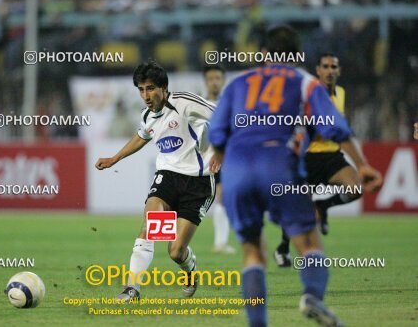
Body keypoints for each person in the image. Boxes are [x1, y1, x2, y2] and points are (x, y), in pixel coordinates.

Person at [208, 26, 382, 326]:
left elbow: (217, 133)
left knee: (252, 253)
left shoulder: (238, 83)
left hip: (237, 169)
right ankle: (312, 295)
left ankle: (258, 323)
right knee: (309, 242)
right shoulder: (304, 82)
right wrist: (362, 164)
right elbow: (334, 127)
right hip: (278, 164)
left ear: (263, 54)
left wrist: (225, 174)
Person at [95, 60, 219, 301]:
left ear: (163, 87)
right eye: (141, 90)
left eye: (150, 88)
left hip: (199, 183)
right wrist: (114, 158)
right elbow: (142, 136)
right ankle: (132, 289)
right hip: (168, 177)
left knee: (175, 251)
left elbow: (222, 117)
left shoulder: (184, 103)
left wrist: (220, 151)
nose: (145, 95)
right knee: (151, 226)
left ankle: (190, 270)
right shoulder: (148, 115)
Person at [274, 53, 381, 268]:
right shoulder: (309, 94)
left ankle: (323, 205)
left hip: (331, 155)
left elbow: (337, 126)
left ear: (339, 71)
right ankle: (283, 248)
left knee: (355, 188)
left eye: (334, 66)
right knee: (299, 207)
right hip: (309, 157)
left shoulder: (340, 93)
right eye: (326, 66)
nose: (330, 70)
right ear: (318, 70)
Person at [203, 64, 235, 254]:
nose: (214, 82)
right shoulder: (197, 104)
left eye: (217, 78)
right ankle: (166, 239)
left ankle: (220, 243)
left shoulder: (229, 104)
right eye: (210, 79)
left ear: (222, 80)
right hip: (200, 159)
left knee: (222, 199)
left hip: (222, 157)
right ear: (205, 81)